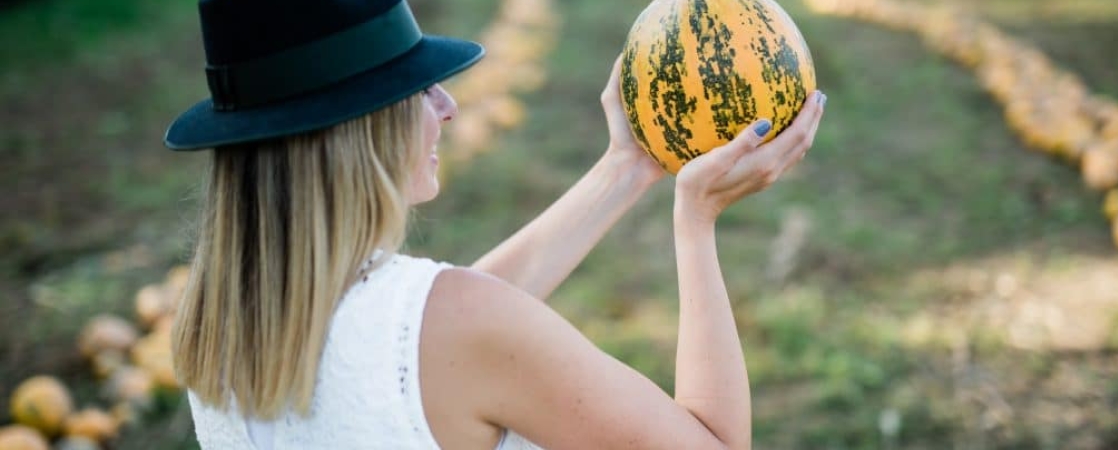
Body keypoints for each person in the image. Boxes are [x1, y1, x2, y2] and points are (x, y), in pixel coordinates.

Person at [165, 0, 826, 449]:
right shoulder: (461, 327)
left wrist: (626, 168)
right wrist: (697, 221)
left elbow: (419, 343)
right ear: (358, 130)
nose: (447, 106)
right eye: (418, 89)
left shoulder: (218, 323)